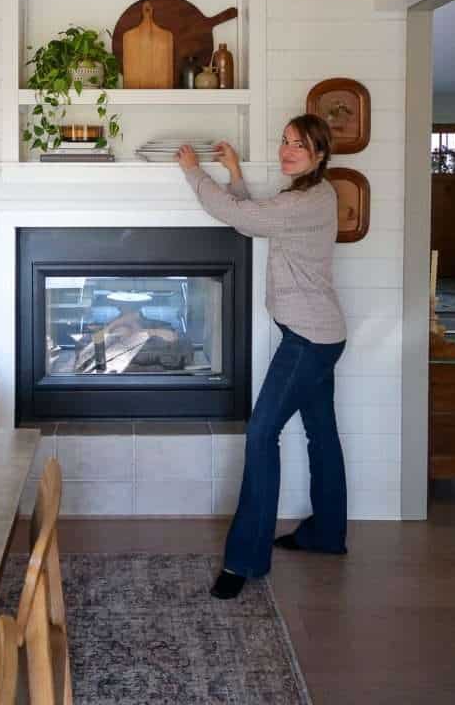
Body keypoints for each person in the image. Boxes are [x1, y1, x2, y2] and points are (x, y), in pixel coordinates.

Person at [176, 115, 347, 599]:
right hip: (322, 334)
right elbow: (255, 217)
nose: (288, 150)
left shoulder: (305, 200)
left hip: (308, 340)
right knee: (321, 433)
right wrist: (234, 172)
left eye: (300, 145)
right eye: (286, 141)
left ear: (320, 155)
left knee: (260, 432)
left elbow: (240, 217)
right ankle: (327, 534)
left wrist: (193, 171)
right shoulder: (315, 196)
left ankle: (244, 561)